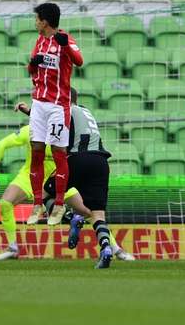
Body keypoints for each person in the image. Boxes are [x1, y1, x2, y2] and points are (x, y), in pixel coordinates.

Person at [0, 96, 132, 263]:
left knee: (87, 212)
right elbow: (3, 143)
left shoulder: (62, 125)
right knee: (5, 203)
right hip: (31, 176)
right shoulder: (33, 129)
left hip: (62, 175)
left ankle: (116, 248)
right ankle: (13, 247)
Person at [25, 2, 83, 226]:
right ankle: (37, 205)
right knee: (36, 150)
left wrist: (65, 46)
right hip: (39, 104)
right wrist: (33, 63)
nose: (35, 22)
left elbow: (79, 61)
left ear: (45, 21)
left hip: (59, 105)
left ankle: (59, 205)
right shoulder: (39, 41)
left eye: (37, 18)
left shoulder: (65, 39)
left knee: (59, 152)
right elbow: (32, 70)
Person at [59, 88, 120, 269]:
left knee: (44, 194)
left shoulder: (66, 110)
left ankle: (71, 218)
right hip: (101, 162)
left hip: (78, 159)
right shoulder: (86, 111)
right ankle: (106, 249)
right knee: (98, 214)